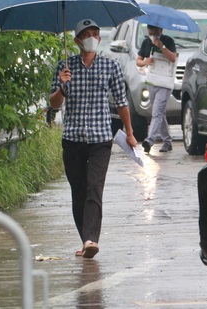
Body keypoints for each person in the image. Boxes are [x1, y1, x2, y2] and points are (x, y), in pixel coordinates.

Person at [49, 18, 137, 259]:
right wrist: (62, 87)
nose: (92, 38)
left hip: (100, 139)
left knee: (94, 188)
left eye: (96, 33)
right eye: (87, 34)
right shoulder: (64, 67)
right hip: (73, 139)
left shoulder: (111, 66)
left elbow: (121, 102)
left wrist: (129, 133)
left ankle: (91, 239)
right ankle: (85, 239)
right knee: (78, 191)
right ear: (77, 40)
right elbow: (54, 104)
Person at [136, 24, 177, 154]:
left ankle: (149, 140)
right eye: (150, 32)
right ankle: (167, 141)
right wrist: (145, 62)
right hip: (152, 81)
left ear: (160, 30)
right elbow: (138, 60)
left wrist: (162, 47)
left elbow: (173, 58)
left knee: (157, 112)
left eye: (154, 33)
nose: (152, 35)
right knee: (159, 112)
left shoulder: (168, 41)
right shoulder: (146, 42)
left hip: (165, 82)